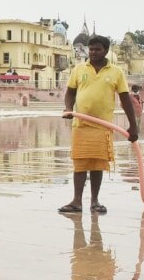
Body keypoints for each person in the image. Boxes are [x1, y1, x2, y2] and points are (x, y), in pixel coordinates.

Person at [59, 35, 139, 215]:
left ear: (106, 51)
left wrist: (133, 125)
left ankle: (95, 201)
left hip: (102, 127)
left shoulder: (116, 72)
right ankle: (76, 201)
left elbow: (125, 99)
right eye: (91, 49)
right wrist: (68, 108)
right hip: (81, 125)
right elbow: (70, 92)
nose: (93, 53)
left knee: (97, 165)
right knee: (79, 164)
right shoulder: (79, 69)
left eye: (97, 49)